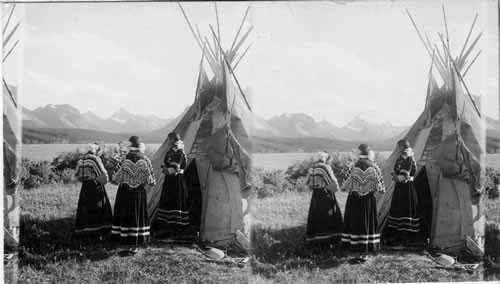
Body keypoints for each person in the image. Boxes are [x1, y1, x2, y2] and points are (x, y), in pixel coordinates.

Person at [111, 136, 156, 254]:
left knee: (126, 215)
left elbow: (115, 179)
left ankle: (125, 242)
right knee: (137, 215)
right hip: (139, 193)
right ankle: (135, 244)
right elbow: (151, 181)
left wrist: (127, 180)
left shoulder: (124, 159)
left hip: (125, 191)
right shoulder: (145, 159)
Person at [341, 144, 385, 262]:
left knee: (355, 223)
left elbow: (345, 186)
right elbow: (381, 187)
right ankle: (365, 252)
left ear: (358, 153)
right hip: (369, 200)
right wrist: (369, 190)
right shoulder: (374, 167)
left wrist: (357, 188)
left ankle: (356, 250)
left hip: (354, 199)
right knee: (367, 223)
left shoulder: (353, 166)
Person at [74, 143, 113, 237]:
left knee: (86, 208)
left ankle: (85, 232)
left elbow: (77, 176)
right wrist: (104, 181)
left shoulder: (81, 159)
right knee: (97, 207)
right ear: (95, 150)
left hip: (85, 187)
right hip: (95, 186)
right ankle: (99, 233)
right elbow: (102, 175)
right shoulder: (94, 159)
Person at [386, 139, 420, 245]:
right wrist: (397, 177)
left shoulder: (409, 159)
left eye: (398, 147)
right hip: (400, 188)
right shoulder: (401, 158)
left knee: (405, 210)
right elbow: (394, 174)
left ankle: (405, 237)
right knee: (399, 209)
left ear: (401, 147)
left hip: (407, 189)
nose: (397, 149)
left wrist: (398, 177)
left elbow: (403, 177)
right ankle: (398, 236)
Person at [305, 152, 343, 244]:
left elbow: (307, 182)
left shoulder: (311, 168)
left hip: (315, 194)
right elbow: (331, 181)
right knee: (327, 214)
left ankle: (315, 238)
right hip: (325, 193)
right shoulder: (324, 167)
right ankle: (329, 239)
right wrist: (335, 189)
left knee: (316, 214)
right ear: (324, 159)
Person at [156, 132, 189, 237]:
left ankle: (175, 230)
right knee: (168, 201)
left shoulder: (179, 152)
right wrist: (167, 169)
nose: (168, 141)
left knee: (175, 202)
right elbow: (164, 167)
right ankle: (168, 228)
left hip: (177, 181)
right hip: (169, 181)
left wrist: (168, 169)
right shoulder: (170, 152)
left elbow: (174, 170)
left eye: (169, 139)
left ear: (174, 140)